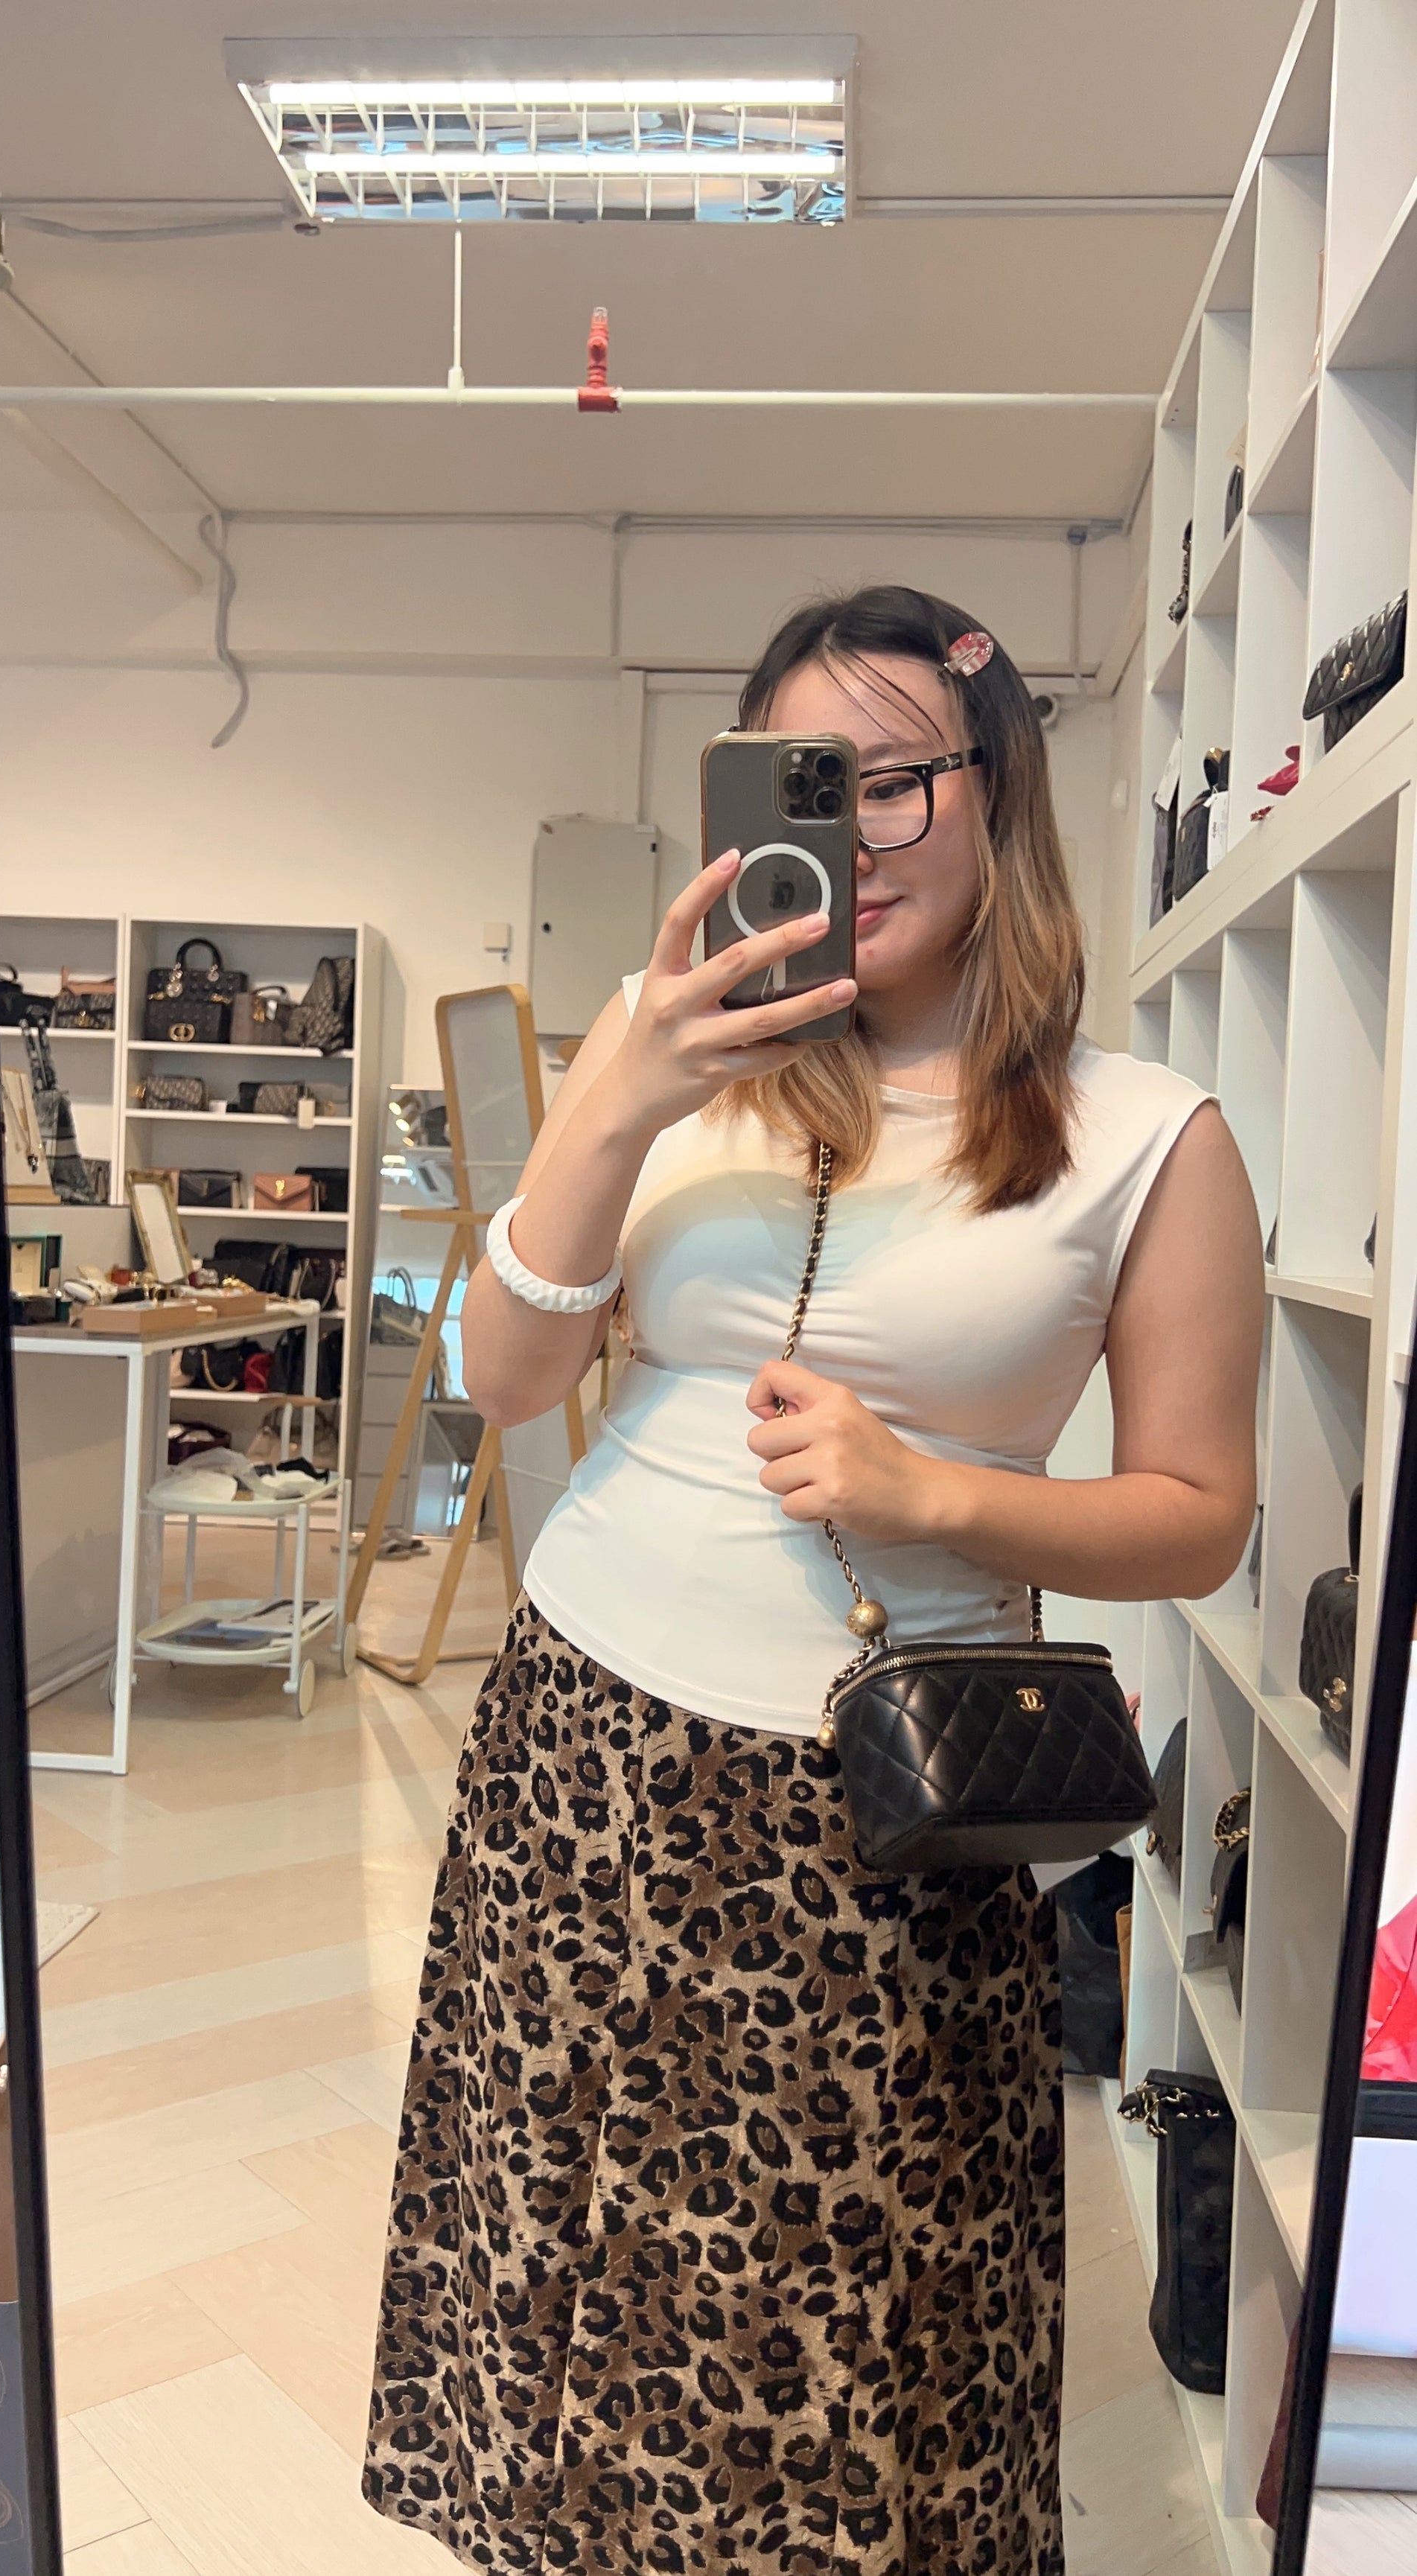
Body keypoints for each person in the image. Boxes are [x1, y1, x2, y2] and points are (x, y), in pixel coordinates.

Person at [363, 585, 1264, 2575]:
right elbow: (503, 1377)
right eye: (801, 781)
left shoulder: (1142, 1136)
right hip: (584, 1764)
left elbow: (1200, 1512)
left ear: (996, 790)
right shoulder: (670, 1048)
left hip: (888, 1826)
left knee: (846, 2366)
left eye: (895, 779)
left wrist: (932, 1491)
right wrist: (625, 1088)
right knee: (567, 2289)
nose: (851, 828)